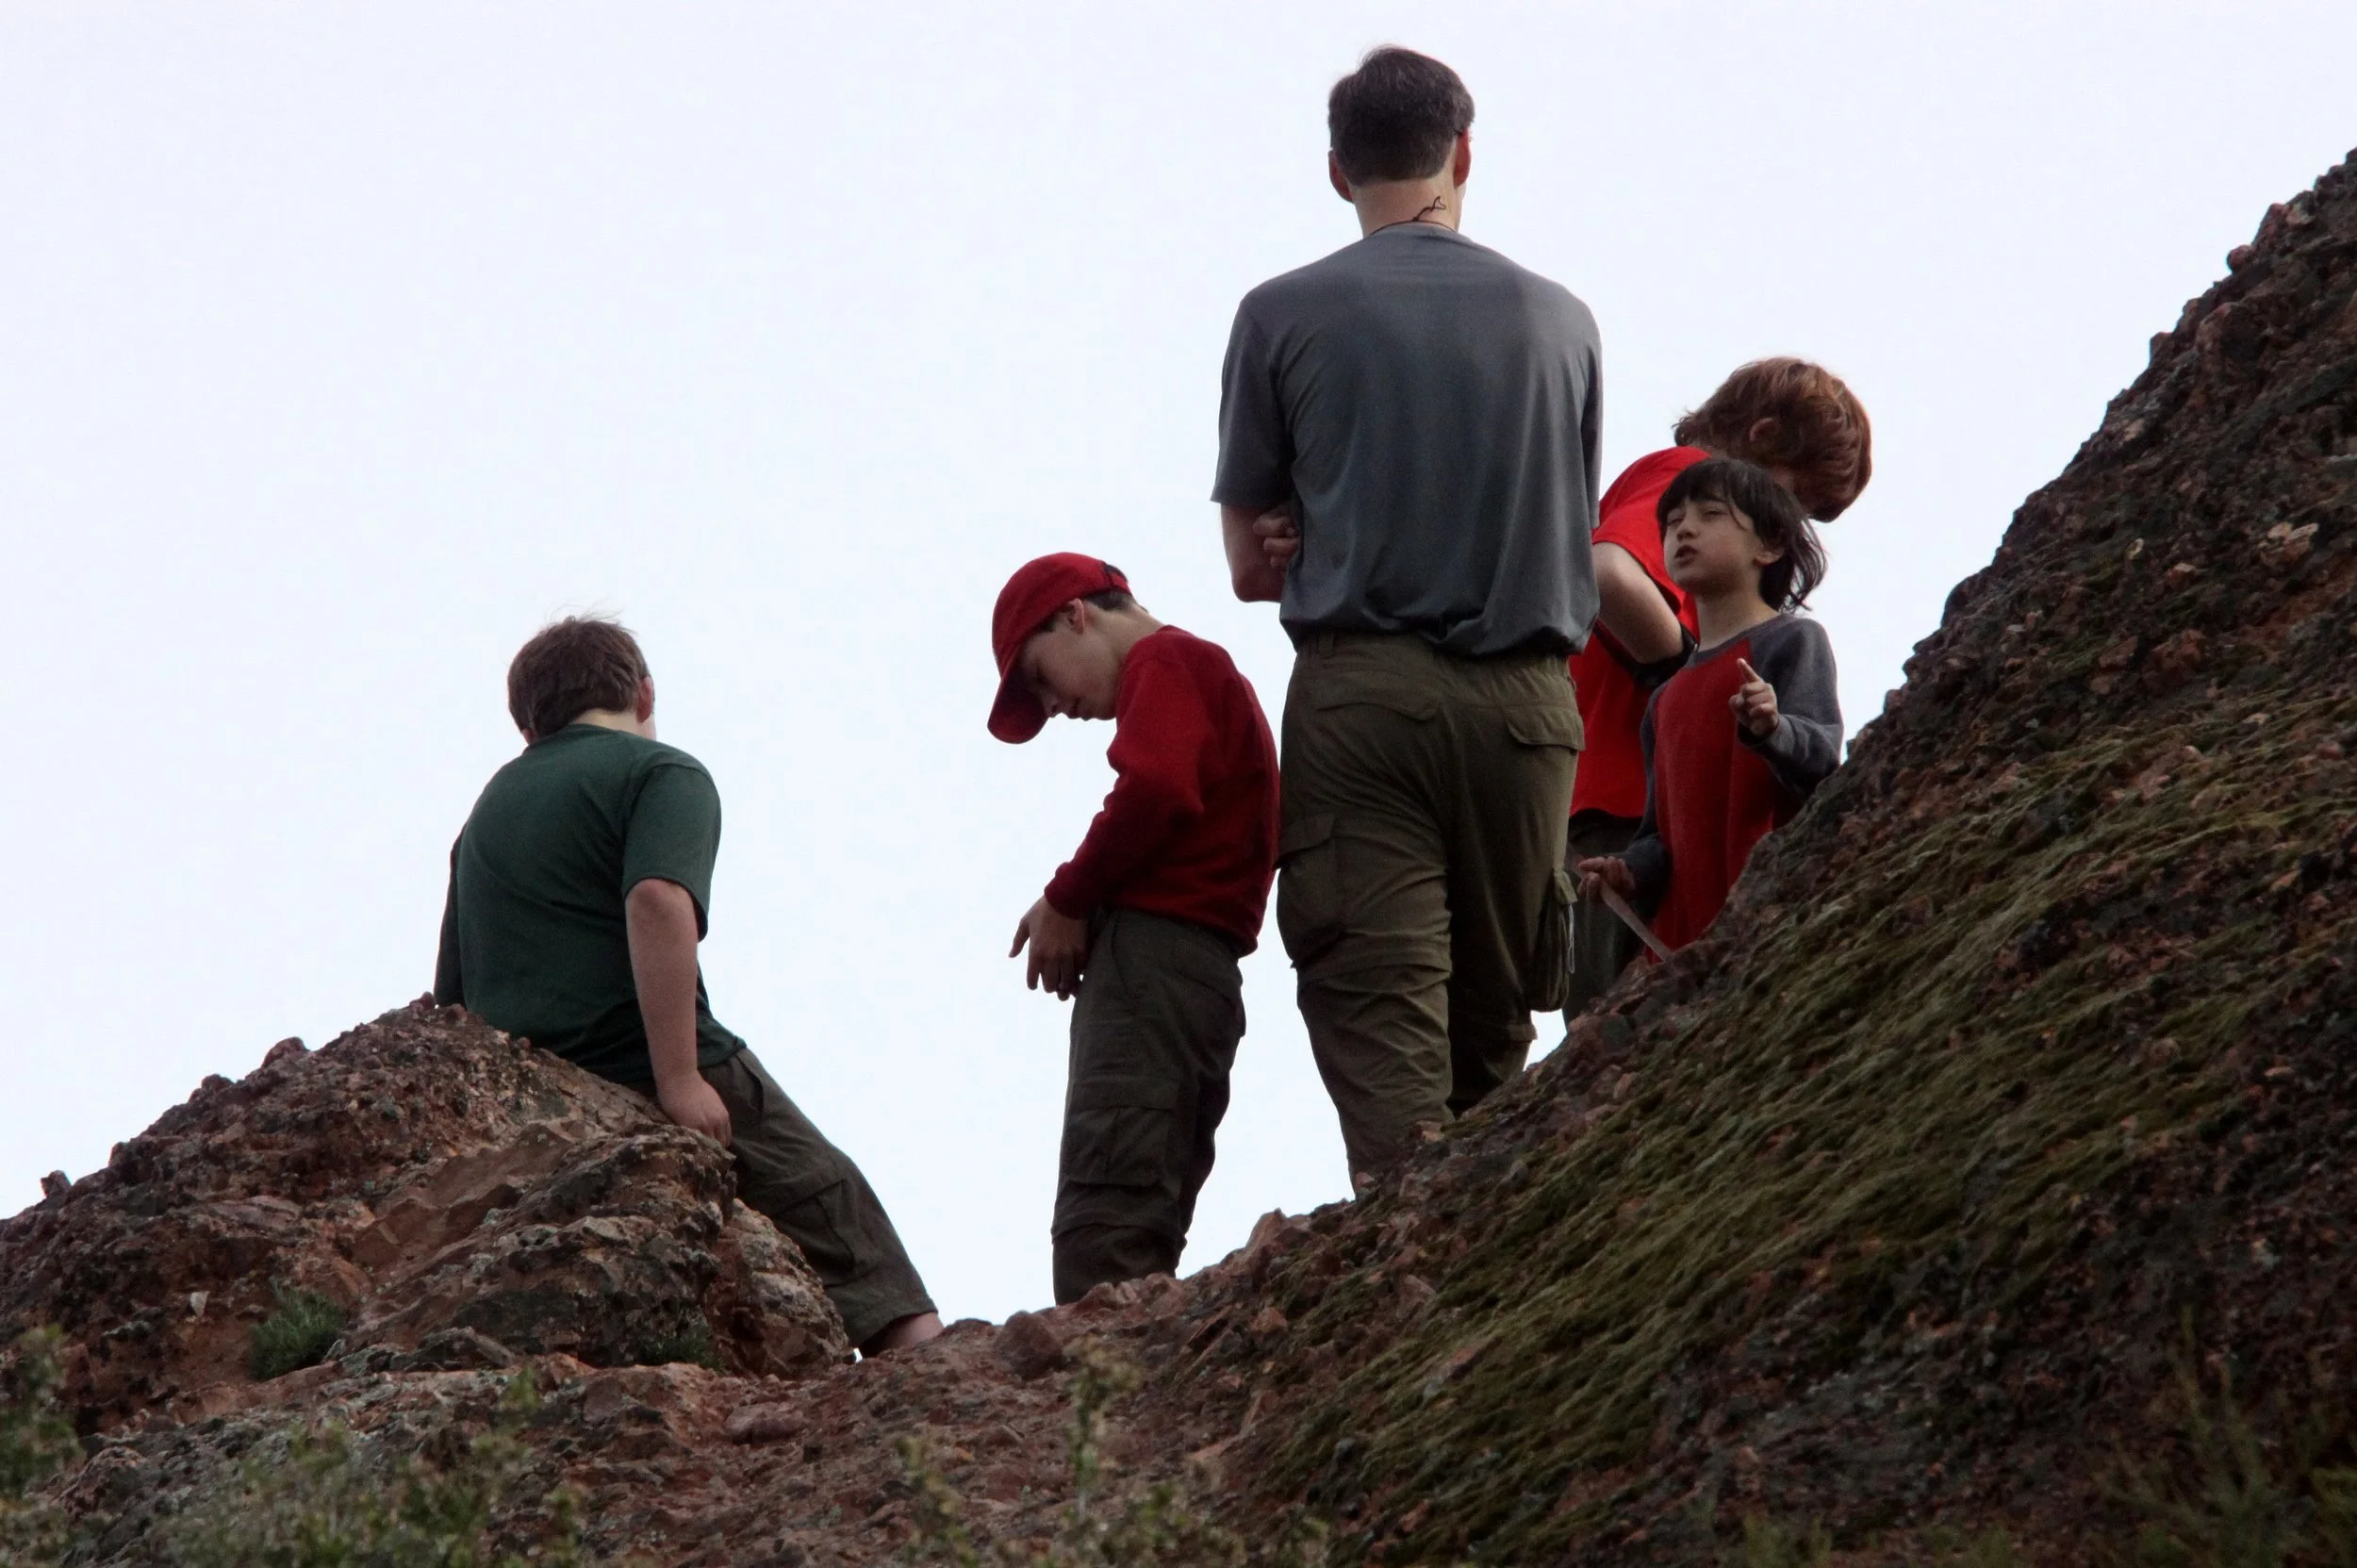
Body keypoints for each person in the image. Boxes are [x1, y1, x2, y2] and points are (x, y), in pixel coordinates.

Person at [1212, 46, 1600, 1184]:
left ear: (1337, 171)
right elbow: (1565, 521)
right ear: (1462, 152)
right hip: (1530, 712)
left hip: (1363, 695)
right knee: (1496, 1044)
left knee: (1386, 1034)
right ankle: (1513, 1287)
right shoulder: (1564, 321)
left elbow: (1248, 560)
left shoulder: (1279, 313)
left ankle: (1408, 1282)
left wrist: (1294, 533)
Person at [434, 616, 942, 1355]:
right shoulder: (660, 772)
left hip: (529, 1087)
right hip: (637, 1053)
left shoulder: (484, 818)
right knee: (829, 1194)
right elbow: (657, 900)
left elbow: (450, 1001)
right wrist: (679, 1076)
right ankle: (923, 1360)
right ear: (643, 692)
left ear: (528, 723)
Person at [990, 554, 1279, 1304]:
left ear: (1077, 614)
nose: (1053, 705)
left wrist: (1068, 898)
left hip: (1156, 959)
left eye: (1042, 677)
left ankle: (1096, 1409)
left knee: (1105, 1220)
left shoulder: (1168, 658)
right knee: (1146, 1213)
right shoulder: (1202, 674)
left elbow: (1154, 787)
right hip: (1200, 973)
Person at [1564, 359, 1872, 1015]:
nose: (1790, 527)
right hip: (1623, 801)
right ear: (1761, 437)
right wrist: (1684, 672)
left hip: (1621, 804)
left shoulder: (1783, 639)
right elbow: (1608, 572)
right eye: (1792, 498)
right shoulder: (1682, 478)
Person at [1576, 459, 1842, 951]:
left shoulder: (1792, 641)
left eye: (1711, 514)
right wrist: (1628, 870)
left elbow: (1824, 762)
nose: (1685, 530)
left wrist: (1773, 728)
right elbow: (1662, 835)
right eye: (1672, 522)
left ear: (1770, 544)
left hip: (1770, 920)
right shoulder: (1666, 696)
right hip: (1686, 942)